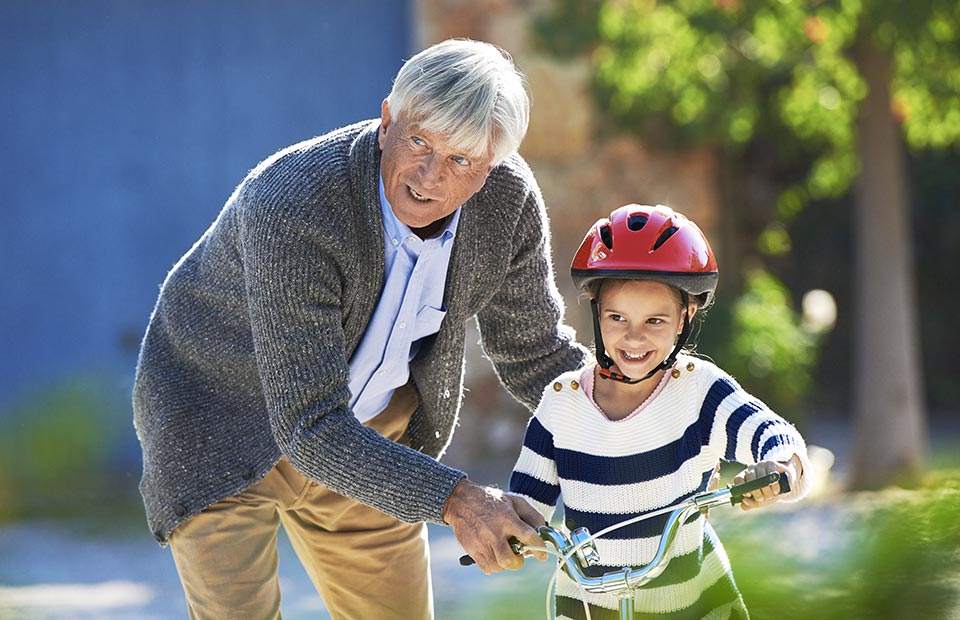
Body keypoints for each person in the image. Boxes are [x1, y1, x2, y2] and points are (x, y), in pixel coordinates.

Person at [132, 38, 587, 619]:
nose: (428, 176)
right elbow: (309, 425)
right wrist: (456, 499)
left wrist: (659, 416)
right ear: (387, 120)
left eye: (461, 161)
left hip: (366, 439)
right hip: (221, 418)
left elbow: (537, 353)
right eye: (418, 141)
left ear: (492, 167)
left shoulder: (507, 202)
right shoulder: (294, 201)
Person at [509, 204, 812, 619]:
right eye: (617, 317)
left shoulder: (698, 392)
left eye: (655, 320)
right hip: (587, 606)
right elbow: (526, 507)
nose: (633, 337)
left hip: (691, 605)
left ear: (685, 317)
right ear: (596, 314)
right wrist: (509, 531)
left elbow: (770, 432)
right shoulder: (563, 402)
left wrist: (780, 467)